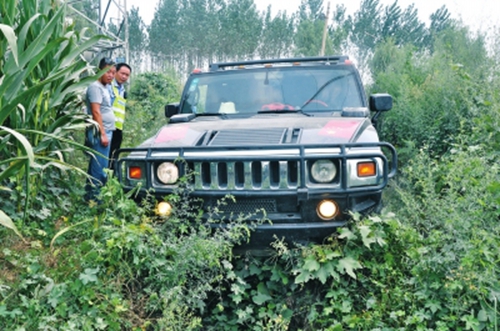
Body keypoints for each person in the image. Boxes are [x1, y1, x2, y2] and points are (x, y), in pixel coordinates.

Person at [84, 57, 116, 201]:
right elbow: (96, 111)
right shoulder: (95, 87)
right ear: (100, 70)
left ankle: (90, 197)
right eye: (107, 71)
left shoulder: (105, 87)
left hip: (106, 131)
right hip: (99, 133)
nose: (110, 75)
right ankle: (95, 200)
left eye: (113, 72)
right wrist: (103, 134)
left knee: (98, 166)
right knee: (99, 168)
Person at [108, 62, 132, 171]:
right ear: (115, 72)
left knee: (114, 154)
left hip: (118, 128)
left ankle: (112, 177)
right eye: (122, 73)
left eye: (127, 75)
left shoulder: (122, 90)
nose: (124, 77)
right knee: (105, 155)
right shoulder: (109, 86)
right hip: (107, 127)